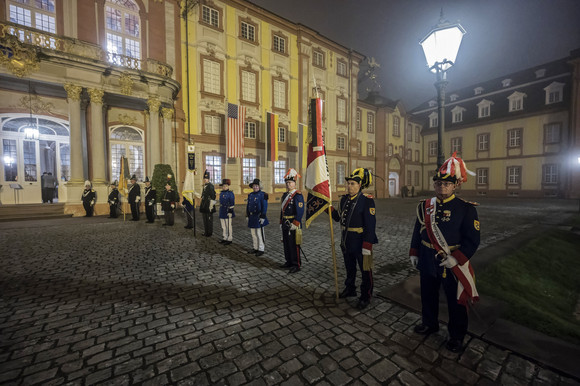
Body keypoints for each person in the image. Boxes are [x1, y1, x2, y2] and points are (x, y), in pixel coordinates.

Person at [409, 152, 480, 353]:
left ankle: (457, 335)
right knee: (428, 295)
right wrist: (414, 252)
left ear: (455, 185)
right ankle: (429, 323)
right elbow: (418, 230)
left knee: (455, 301)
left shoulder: (466, 209)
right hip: (427, 258)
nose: (442, 187)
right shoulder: (425, 206)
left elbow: (473, 240)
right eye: (438, 183)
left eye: (446, 184)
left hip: (451, 261)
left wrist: (456, 259)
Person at [330, 168, 378, 310]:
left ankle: (366, 295)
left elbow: (370, 224)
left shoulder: (366, 201)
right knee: (349, 268)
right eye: (348, 183)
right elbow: (338, 218)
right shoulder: (344, 199)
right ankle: (350, 288)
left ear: (359, 185)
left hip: (360, 240)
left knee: (365, 271)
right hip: (346, 239)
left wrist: (368, 244)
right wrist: (328, 208)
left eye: (352, 184)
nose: (349, 186)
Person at [279, 169, 304, 273]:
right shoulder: (285, 195)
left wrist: (296, 222)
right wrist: (281, 222)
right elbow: (282, 210)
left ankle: (296, 264)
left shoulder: (297, 195)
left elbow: (300, 210)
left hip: (293, 223)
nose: (288, 184)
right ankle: (288, 261)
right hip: (285, 222)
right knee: (286, 243)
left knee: (294, 244)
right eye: (287, 183)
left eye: (290, 183)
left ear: (294, 183)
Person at [246, 178, 269, 256]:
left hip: (259, 217)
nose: (255, 187)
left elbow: (264, 206)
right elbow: (248, 205)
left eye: (256, 186)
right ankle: (255, 247)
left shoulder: (263, 195)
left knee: (259, 234)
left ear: (259, 186)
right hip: (252, 217)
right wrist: (247, 214)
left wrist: (263, 216)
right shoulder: (250, 195)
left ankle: (261, 249)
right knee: (253, 234)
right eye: (254, 186)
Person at [199, 170, 216, 237]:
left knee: (209, 219)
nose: (205, 180)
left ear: (209, 179)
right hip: (204, 205)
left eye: (206, 179)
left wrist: (211, 205)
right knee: (205, 219)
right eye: (204, 179)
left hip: (209, 204)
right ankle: (206, 231)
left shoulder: (211, 186)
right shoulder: (204, 186)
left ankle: (209, 232)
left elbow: (213, 196)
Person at [218, 179, 235, 244]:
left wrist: (230, 211)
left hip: (228, 211)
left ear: (228, 186)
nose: (224, 187)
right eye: (223, 186)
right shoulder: (221, 193)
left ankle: (229, 238)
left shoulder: (230, 193)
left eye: (225, 186)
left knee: (228, 226)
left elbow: (232, 202)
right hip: (222, 211)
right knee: (223, 226)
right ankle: (224, 237)